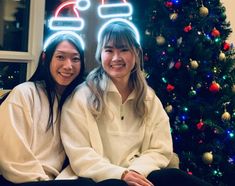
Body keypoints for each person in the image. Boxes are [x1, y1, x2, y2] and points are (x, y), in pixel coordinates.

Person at [61, 20, 212, 186]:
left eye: (124, 49)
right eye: (109, 50)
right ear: (100, 54)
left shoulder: (148, 98)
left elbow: (160, 148)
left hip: (141, 173)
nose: (116, 57)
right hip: (98, 177)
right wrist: (121, 174)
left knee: (175, 177)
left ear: (136, 53)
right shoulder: (82, 96)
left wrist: (135, 172)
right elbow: (80, 154)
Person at [0, 31, 123, 186]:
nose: (68, 66)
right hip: (24, 180)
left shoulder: (80, 100)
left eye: (75, 59)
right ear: (46, 58)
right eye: (60, 57)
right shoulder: (24, 94)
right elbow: (13, 158)